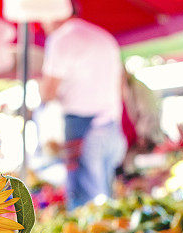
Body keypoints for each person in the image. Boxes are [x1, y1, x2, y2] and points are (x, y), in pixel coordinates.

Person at [40, 2, 127, 210]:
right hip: (112, 126)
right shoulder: (104, 38)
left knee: (85, 211)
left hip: (82, 128)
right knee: (106, 207)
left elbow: (47, 92)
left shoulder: (61, 39)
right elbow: (121, 86)